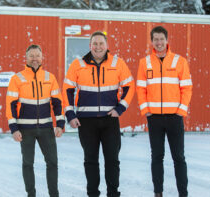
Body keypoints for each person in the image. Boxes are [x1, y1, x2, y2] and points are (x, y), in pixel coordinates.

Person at [62, 31, 135, 197]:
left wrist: (120, 108)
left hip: (110, 120)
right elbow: (67, 89)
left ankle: (113, 193)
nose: (98, 47)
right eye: (95, 43)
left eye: (101, 43)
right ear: (90, 46)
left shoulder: (118, 63)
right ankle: (93, 193)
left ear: (107, 45)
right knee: (90, 160)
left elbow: (130, 86)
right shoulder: (78, 64)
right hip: (86, 121)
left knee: (112, 160)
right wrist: (70, 115)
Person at [136, 26, 192, 197]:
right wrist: (146, 110)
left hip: (175, 118)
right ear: (151, 41)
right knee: (157, 157)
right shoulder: (144, 63)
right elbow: (140, 88)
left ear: (167, 40)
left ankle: (183, 193)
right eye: (156, 39)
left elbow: (187, 88)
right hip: (155, 119)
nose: (159, 42)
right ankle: (158, 192)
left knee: (179, 158)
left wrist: (181, 111)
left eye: (162, 39)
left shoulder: (179, 61)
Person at [6, 44, 65, 197]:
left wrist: (60, 124)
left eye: (37, 55)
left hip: (46, 128)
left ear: (42, 57)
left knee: (52, 163)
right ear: (26, 58)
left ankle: (54, 194)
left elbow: (57, 102)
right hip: (25, 129)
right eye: (31, 56)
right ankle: (31, 194)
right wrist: (14, 128)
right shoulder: (17, 78)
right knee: (28, 164)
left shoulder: (49, 77)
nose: (34, 59)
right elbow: (10, 105)